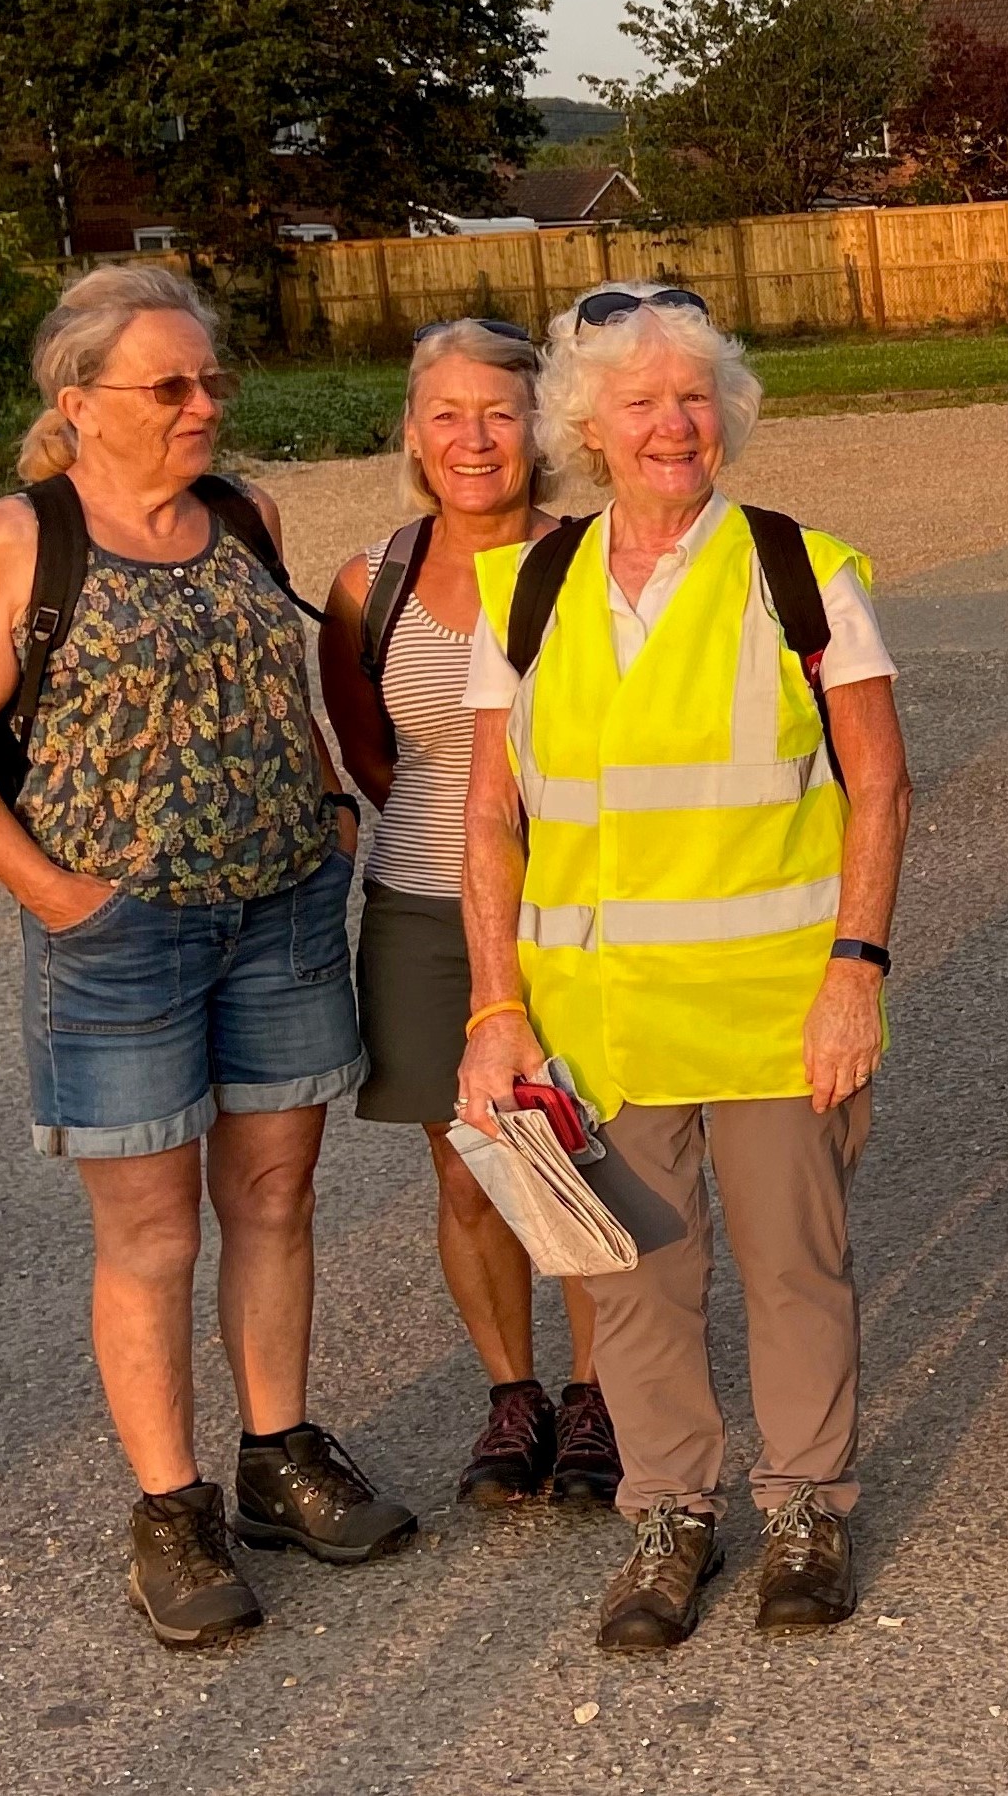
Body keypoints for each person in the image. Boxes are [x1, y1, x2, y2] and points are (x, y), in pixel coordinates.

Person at [0, 265, 413, 1649]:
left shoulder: (245, 514)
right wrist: (58, 896)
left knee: (278, 1199)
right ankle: (169, 1505)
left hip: (284, 913)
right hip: (120, 938)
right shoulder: (20, 543)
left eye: (210, 381)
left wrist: (323, 807)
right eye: (170, 386)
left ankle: (277, 1454)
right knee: (148, 1233)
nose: (204, 405)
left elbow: (271, 679)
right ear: (78, 405)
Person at [453, 285, 913, 1649]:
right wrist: (494, 1009)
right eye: (641, 401)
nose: (673, 425)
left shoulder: (799, 568)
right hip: (601, 1022)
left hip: (778, 1010)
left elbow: (879, 787)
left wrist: (856, 969)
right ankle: (666, 1516)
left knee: (794, 1271)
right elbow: (489, 816)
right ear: (588, 426)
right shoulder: (527, 586)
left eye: (695, 397)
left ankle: (807, 1508)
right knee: (630, 1288)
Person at [317, 317, 619, 1511]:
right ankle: (515, 1394)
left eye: (499, 411)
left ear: (538, 429)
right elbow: (371, 751)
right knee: (469, 1168)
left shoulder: (592, 559)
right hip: (423, 910)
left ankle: (601, 1392)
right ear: (412, 432)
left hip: (572, 908)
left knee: (586, 1153)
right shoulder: (370, 584)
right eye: (448, 413)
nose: (474, 437)